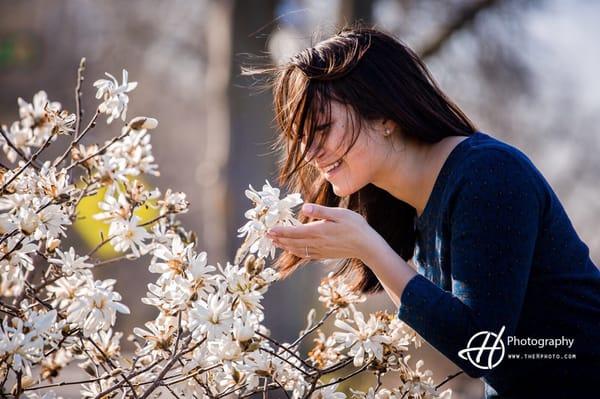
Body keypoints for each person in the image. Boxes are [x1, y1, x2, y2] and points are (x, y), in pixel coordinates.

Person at [243, 25, 600, 398]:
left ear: (385, 117)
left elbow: (481, 348)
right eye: (301, 138)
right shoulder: (404, 203)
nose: (310, 152)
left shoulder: (488, 175)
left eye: (322, 128)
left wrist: (370, 247)